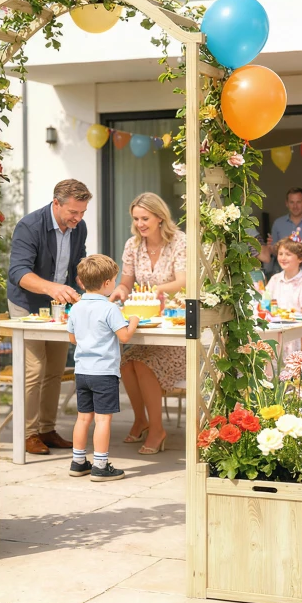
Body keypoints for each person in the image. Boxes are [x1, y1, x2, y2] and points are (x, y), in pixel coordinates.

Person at [8, 179, 92, 455]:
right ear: (56, 203)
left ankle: (46, 429)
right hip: (27, 303)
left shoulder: (79, 228)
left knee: (55, 368)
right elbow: (18, 273)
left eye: (82, 213)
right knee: (34, 369)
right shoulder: (29, 227)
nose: (78, 219)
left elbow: (78, 261)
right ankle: (28, 433)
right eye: (73, 212)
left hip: (59, 306)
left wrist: (85, 278)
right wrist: (52, 287)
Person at [109, 193, 186, 455]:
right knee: (126, 363)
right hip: (146, 322)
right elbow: (126, 282)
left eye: (145, 218)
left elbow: (182, 281)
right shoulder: (132, 246)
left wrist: (155, 290)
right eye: (136, 219)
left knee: (143, 365)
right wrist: (119, 290)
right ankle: (141, 419)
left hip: (176, 324)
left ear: (160, 216)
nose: (140, 224)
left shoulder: (179, 242)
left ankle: (157, 429)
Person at [67, 254, 139, 482]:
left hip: (82, 371)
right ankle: (100, 465)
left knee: (83, 418)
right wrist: (134, 320)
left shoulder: (76, 308)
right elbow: (124, 336)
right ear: (107, 283)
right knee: (103, 420)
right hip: (104, 372)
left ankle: (78, 462)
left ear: (81, 281)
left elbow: (72, 339)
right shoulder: (110, 309)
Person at [266, 236, 302, 357]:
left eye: (288, 254)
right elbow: (265, 305)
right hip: (274, 334)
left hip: (296, 337)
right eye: (280, 254)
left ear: (300, 258)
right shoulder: (274, 280)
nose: (283, 258)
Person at [258, 188, 302, 280]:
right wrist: (270, 248)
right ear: (287, 203)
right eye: (292, 202)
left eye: (298, 202)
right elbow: (274, 251)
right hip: (283, 278)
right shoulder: (278, 224)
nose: (295, 206)